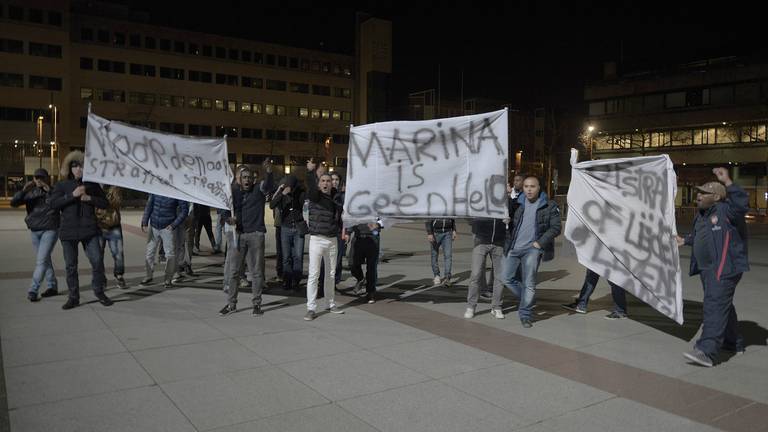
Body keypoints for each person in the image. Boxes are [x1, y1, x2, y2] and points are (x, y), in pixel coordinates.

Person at [677, 167, 749, 367]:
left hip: (724, 268)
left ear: (717, 197)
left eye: (703, 193)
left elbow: (742, 204)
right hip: (707, 269)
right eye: (698, 192)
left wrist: (728, 182)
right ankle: (733, 342)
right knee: (722, 304)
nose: (698, 196)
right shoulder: (702, 215)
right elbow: (703, 236)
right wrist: (685, 240)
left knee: (713, 305)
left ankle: (706, 351)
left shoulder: (727, 210)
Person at [49, 151, 113, 310]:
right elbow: (52, 204)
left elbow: (105, 203)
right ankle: (73, 297)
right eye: (75, 166)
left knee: (97, 261)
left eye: (81, 166)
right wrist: (72, 195)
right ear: (69, 168)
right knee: (71, 266)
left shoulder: (91, 185)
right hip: (68, 232)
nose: (78, 169)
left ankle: (99, 291)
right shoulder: (62, 185)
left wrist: (89, 198)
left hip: (89, 230)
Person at [501, 175, 561, 328]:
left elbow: (556, 227)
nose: (529, 189)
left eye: (532, 186)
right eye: (526, 186)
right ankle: (528, 299)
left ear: (539, 187)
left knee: (529, 283)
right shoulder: (518, 203)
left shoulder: (549, 205)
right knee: (506, 278)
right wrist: (507, 220)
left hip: (532, 250)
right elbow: (506, 215)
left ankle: (526, 314)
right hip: (514, 247)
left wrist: (539, 243)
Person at [219, 162, 274, 316]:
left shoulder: (258, 190)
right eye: (244, 177)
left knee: (256, 272)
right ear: (239, 179)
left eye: (249, 177)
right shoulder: (233, 192)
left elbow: (268, 185)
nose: (247, 180)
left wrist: (269, 172)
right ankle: (231, 304)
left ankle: (257, 304)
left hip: (255, 235)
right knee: (234, 272)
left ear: (253, 179)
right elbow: (224, 210)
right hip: (238, 235)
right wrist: (228, 219)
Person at [303, 160, 344, 321]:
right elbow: (311, 187)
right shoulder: (315, 195)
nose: (326, 183)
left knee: (331, 274)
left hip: (332, 240)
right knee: (314, 274)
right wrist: (310, 172)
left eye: (328, 181)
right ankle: (311, 308)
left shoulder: (336, 198)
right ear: (319, 183)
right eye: (323, 181)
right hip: (317, 239)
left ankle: (330, 303)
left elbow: (342, 213)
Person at [11, 168, 59, 302]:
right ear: (33, 179)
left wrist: (48, 190)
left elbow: (58, 202)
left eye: (42, 177)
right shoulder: (30, 192)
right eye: (36, 177)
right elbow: (13, 203)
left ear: (47, 178)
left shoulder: (53, 190)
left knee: (41, 261)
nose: (39, 180)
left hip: (50, 229)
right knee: (45, 259)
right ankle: (52, 286)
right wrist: (23, 190)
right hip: (35, 230)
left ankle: (33, 289)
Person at [140, 193, 189, 289]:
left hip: (168, 227)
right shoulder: (156, 189)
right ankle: (148, 276)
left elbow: (184, 210)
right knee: (149, 252)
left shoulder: (176, 191)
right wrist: (145, 221)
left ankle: (168, 278)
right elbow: (149, 205)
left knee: (170, 254)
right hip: (154, 225)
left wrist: (174, 224)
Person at [464, 218, 506, 319]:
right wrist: (474, 221)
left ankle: (496, 306)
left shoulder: (506, 202)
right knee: (476, 273)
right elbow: (468, 215)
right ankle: (471, 306)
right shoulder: (480, 202)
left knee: (500, 276)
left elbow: (514, 214)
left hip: (499, 241)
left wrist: (510, 221)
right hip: (481, 240)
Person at [271, 174, 306, 292]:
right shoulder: (282, 194)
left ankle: (296, 280)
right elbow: (272, 205)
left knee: (298, 256)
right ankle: (287, 280)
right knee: (286, 257)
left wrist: (295, 193)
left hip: (298, 227)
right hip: (285, 228)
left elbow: (303, 202)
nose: (289, 187)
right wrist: (281, 192)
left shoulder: (300, 194)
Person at [561, 268, 628, 319]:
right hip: (600, 253)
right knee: (591, 276)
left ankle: (620, 311)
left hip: (607, 253)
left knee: (613, 278)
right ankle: (581, 304)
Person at [96, 185, 127, 289]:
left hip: (114, 226)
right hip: (98, 226)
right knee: (98, 255)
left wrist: (115, 190)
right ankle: (101, 278)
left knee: (118, 253)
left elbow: (118, 203)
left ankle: (119, 275)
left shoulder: (114, 185)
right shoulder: (93, 187)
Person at [347, 218, 383, 303]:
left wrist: (378, 225)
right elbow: (350, 217)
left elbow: (385, 218)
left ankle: (370, 292)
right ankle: (360, 278)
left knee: (371, 267)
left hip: (373, 237)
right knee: (352, 263)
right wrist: (348, 232)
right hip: (358, 237)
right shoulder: (355, 205)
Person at [426, 218, 457, 286]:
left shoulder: (449, 207)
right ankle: (436, 275)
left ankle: (447, 278)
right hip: (435, 233)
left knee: (448, 256)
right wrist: (430, 233)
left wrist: (454, 230)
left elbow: (452, 217)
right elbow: (428, 219)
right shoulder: (434, 207)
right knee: (434, 255)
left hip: (448, 233)